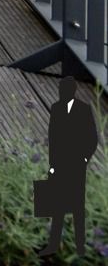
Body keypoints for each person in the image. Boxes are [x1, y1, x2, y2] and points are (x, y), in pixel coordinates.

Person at [38, 74, 98, 253]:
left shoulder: (83, 109)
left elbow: (92, 138)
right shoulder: (56, 108)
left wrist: (84, 158)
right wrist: (52, 163)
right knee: (57, 205)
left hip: (76, 163)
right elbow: (53, 137)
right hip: (59, 163)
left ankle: (80, 246)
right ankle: (53, 244)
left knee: (77, 206)